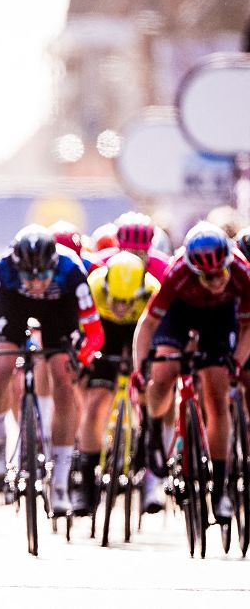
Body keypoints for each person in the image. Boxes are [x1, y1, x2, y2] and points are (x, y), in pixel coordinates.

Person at [0, 224, 103, 516]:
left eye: (41, 274)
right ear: (17, 266)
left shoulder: (71, 270)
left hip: (58, 311)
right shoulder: (2, 268)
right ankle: (0, 439)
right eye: (28, 275)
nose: (35, 281)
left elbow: (94, 333)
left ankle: (62, 482)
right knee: (0, 367)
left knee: (63, 380)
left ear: (52, 265)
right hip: (13, 306)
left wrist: (80, 358)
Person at [133, 222, 250, 523]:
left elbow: (248, 327)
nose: (215, 281)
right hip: (180, 315)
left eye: (220, 274)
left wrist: (236, 362)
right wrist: (141, 368)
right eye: (207, 276)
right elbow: (148, 324)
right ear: (194, 269)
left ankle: (221, 489)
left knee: (216, 392)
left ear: (228, 264)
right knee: (162, 373)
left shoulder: (242, 272)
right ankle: (157, 431)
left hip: (220, 319)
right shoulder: (177, 273)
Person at [72, 251, 159, 516]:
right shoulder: (94, 287)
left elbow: (156, 333)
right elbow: (79, 330)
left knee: (153, 391)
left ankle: (148, 460)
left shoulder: (153, 291)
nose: (120, 307)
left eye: (126, 301)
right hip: (103, 331)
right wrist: (84, 359)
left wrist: (145, 365)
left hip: (140, 329)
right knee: (97, 402)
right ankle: (86, 486)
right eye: (116, 300)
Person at [96, 212, 170, 281]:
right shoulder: (100, 263)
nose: (134, 260)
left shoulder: (164, 268)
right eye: (129, 254)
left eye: (140, 254)